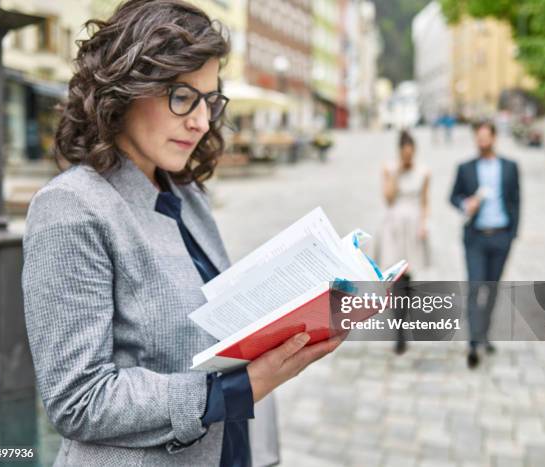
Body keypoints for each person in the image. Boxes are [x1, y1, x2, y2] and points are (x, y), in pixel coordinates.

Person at [21, 1, 342, 466]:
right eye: (181, 96)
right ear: (126, 87)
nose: (201, 120)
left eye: (209, 100)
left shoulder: (185, 193)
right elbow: (79, 400)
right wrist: (242, 386)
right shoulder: (71, 208)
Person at [450, 120, 520, 369]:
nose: (482, 142)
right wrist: (465, 204)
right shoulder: (465, 168)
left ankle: (484, 333)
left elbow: (516, 201)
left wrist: (512, 235)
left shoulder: (510, 167)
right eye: (478, 138)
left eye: (485, 137)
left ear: (493, 138)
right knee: (475, 286)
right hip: (476, 237)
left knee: (492, 288)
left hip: (501, 236)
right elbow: (453, 196)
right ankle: (472, 341)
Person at [379, 130, 430, 354]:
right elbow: (388, 198)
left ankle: (404, 317)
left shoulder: (424, 172)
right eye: (404, 154)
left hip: (413, 226)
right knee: (396, 278)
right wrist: (397, 173)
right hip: (394, 226)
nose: (408, 157)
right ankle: (399, 329)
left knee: (408, 277)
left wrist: (424, 224)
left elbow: (425, 201)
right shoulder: (389, 169)